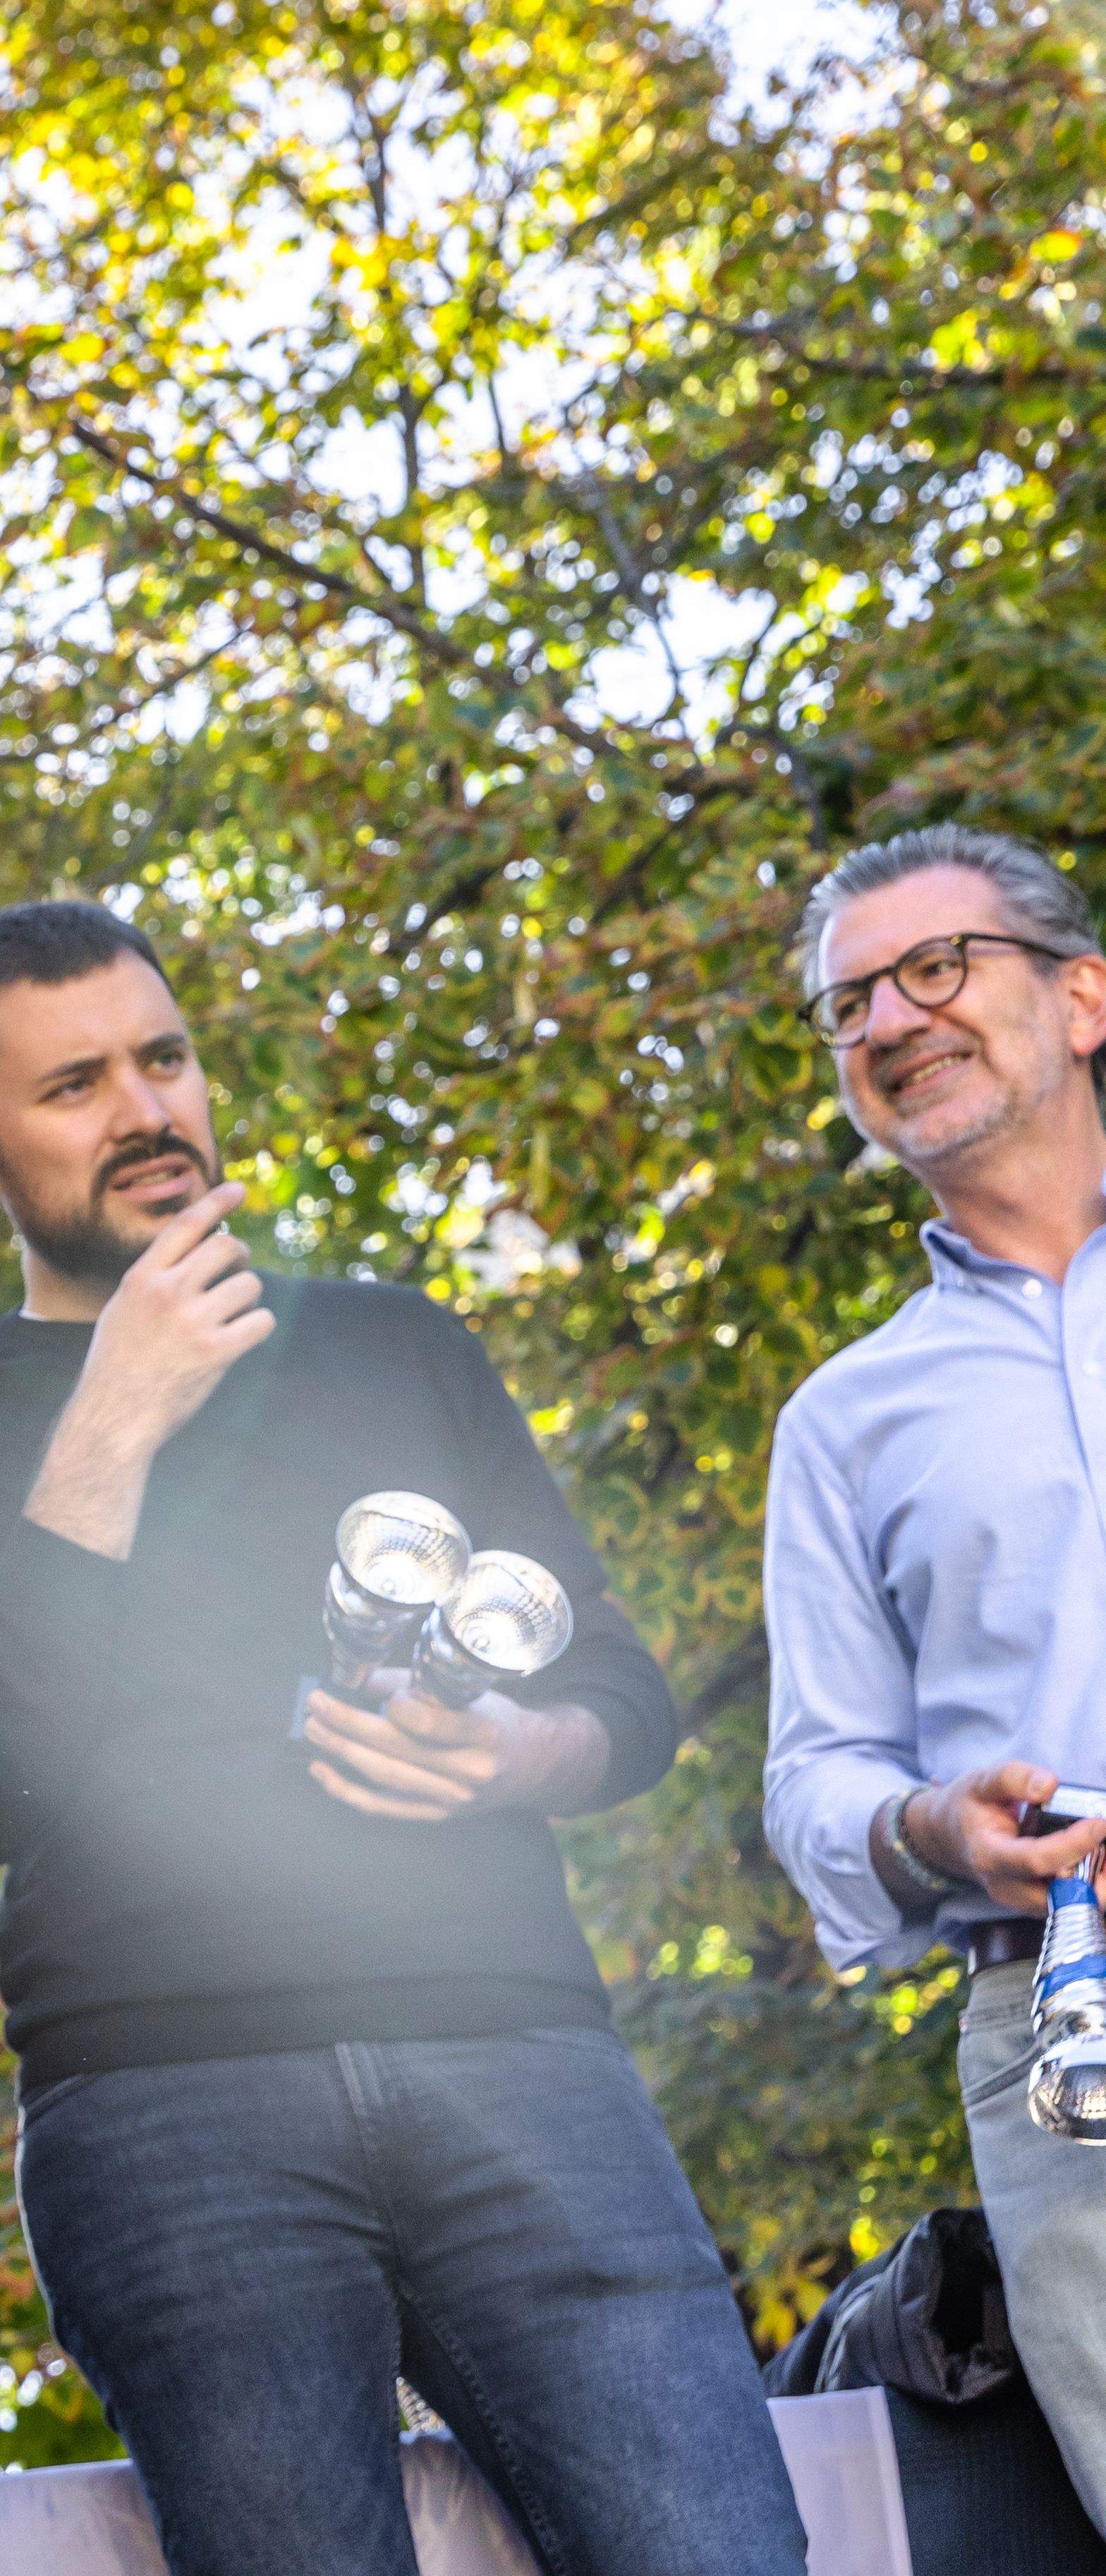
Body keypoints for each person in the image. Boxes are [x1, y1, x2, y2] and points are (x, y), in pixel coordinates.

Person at [0, 899, 804, 2576]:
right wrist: (114, 1418)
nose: (146, 1108)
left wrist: (516, 1754)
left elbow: (625, 1700)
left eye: (166, 1057)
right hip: (166, 2116)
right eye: (76, 1084)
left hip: (523, 2064)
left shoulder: (397, 1343)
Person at [757, 822, 1106, 2523]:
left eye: (936, 966)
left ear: (1085, 994)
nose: (890, 1016)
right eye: (849, 1004)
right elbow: (816, 1772)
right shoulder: (842, 1419)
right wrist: (932, 1825)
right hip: (1071, 2007)